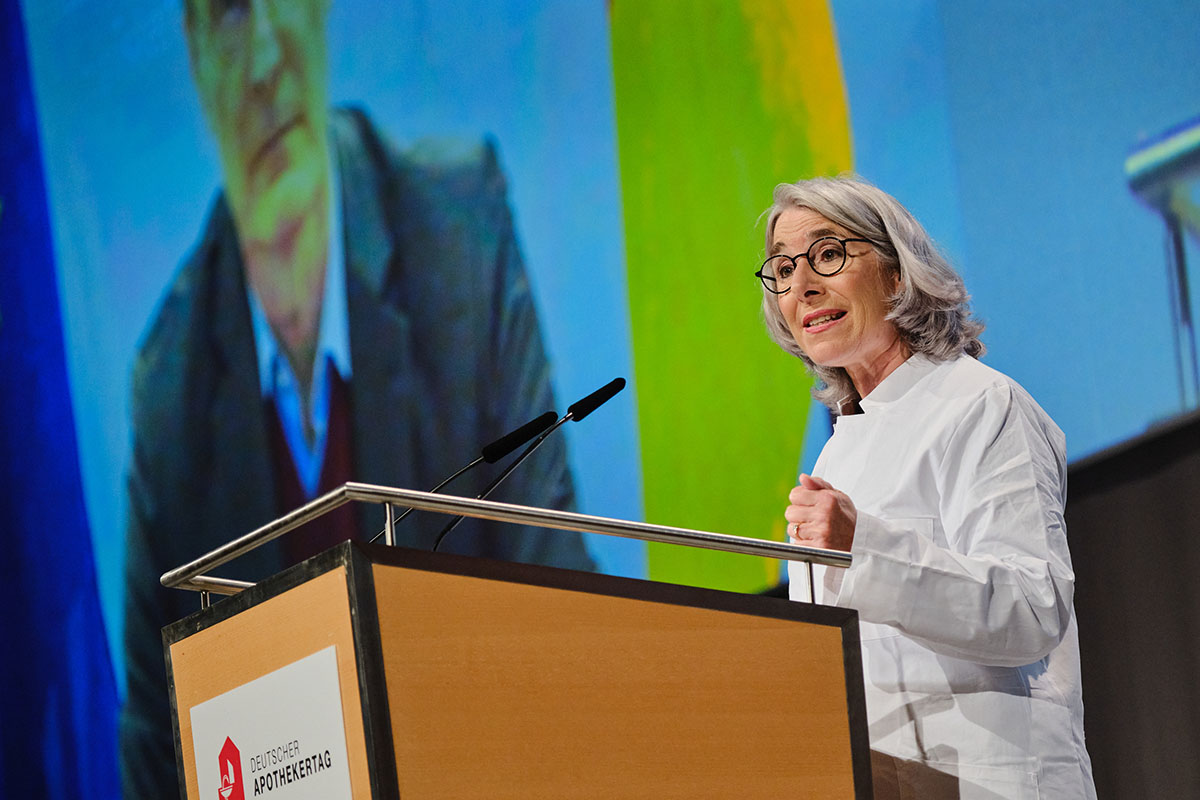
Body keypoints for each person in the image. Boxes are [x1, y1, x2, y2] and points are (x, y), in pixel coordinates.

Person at [119, 1, 594, 796]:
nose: (268, 62)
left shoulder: (457, 232)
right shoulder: (169, 385)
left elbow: (558, 598)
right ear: (196, 57)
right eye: (232, 15)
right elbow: (160, 749)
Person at [757, 176, 1096, 799]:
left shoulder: (980, 405)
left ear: (896, 274)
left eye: (827, 255)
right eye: (781, 269)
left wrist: (865, 548)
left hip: (994, 779)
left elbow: (1031, 606)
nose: (801, 284)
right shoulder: (836, 454)